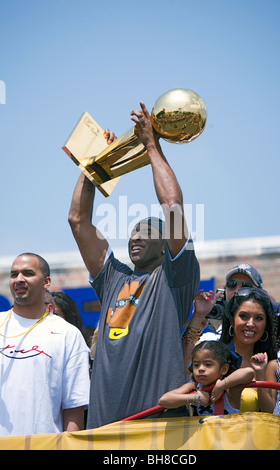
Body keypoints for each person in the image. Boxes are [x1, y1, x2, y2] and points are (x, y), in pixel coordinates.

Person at [68, 101, 200, 427]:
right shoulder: (113, 277)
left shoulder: (174, 279)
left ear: (165, 242)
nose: (136, 238)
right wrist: (95, 165)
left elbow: (171, 205)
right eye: (132, 233)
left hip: (157, 429)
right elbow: (77, 220)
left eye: (146, 232)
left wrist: (151, 146)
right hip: (103, 429)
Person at [0, 253, 90, 436]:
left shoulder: (68, 334)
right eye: (14, 274)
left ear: (46, 282)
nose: (19, 279)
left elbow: (74, 407)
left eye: (28, 273)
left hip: (45, 444)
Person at [182, 263, 263, 374]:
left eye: (246, 286)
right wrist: (198, 316)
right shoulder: (210, 340)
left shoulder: (276, 347)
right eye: (232, 284)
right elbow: (186, 369)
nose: (237, 290)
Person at [159, 340, 254, 416]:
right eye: (196, 365)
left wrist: (221, 385)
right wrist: (195, 398)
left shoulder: (230, 391)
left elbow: (249, 372)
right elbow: (164, 400)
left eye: (208, 364)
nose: (200, 369)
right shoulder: (193, 387)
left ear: (224, 369)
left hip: (226, 439)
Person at [219, 287, 277, 412]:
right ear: (232, 320)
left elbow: (271, 414)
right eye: (244, 316)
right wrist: (198, 317)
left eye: (259, 318)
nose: (251, 324)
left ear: (266, 325)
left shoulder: (272, 365)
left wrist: (260, 373)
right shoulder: (212, 354)